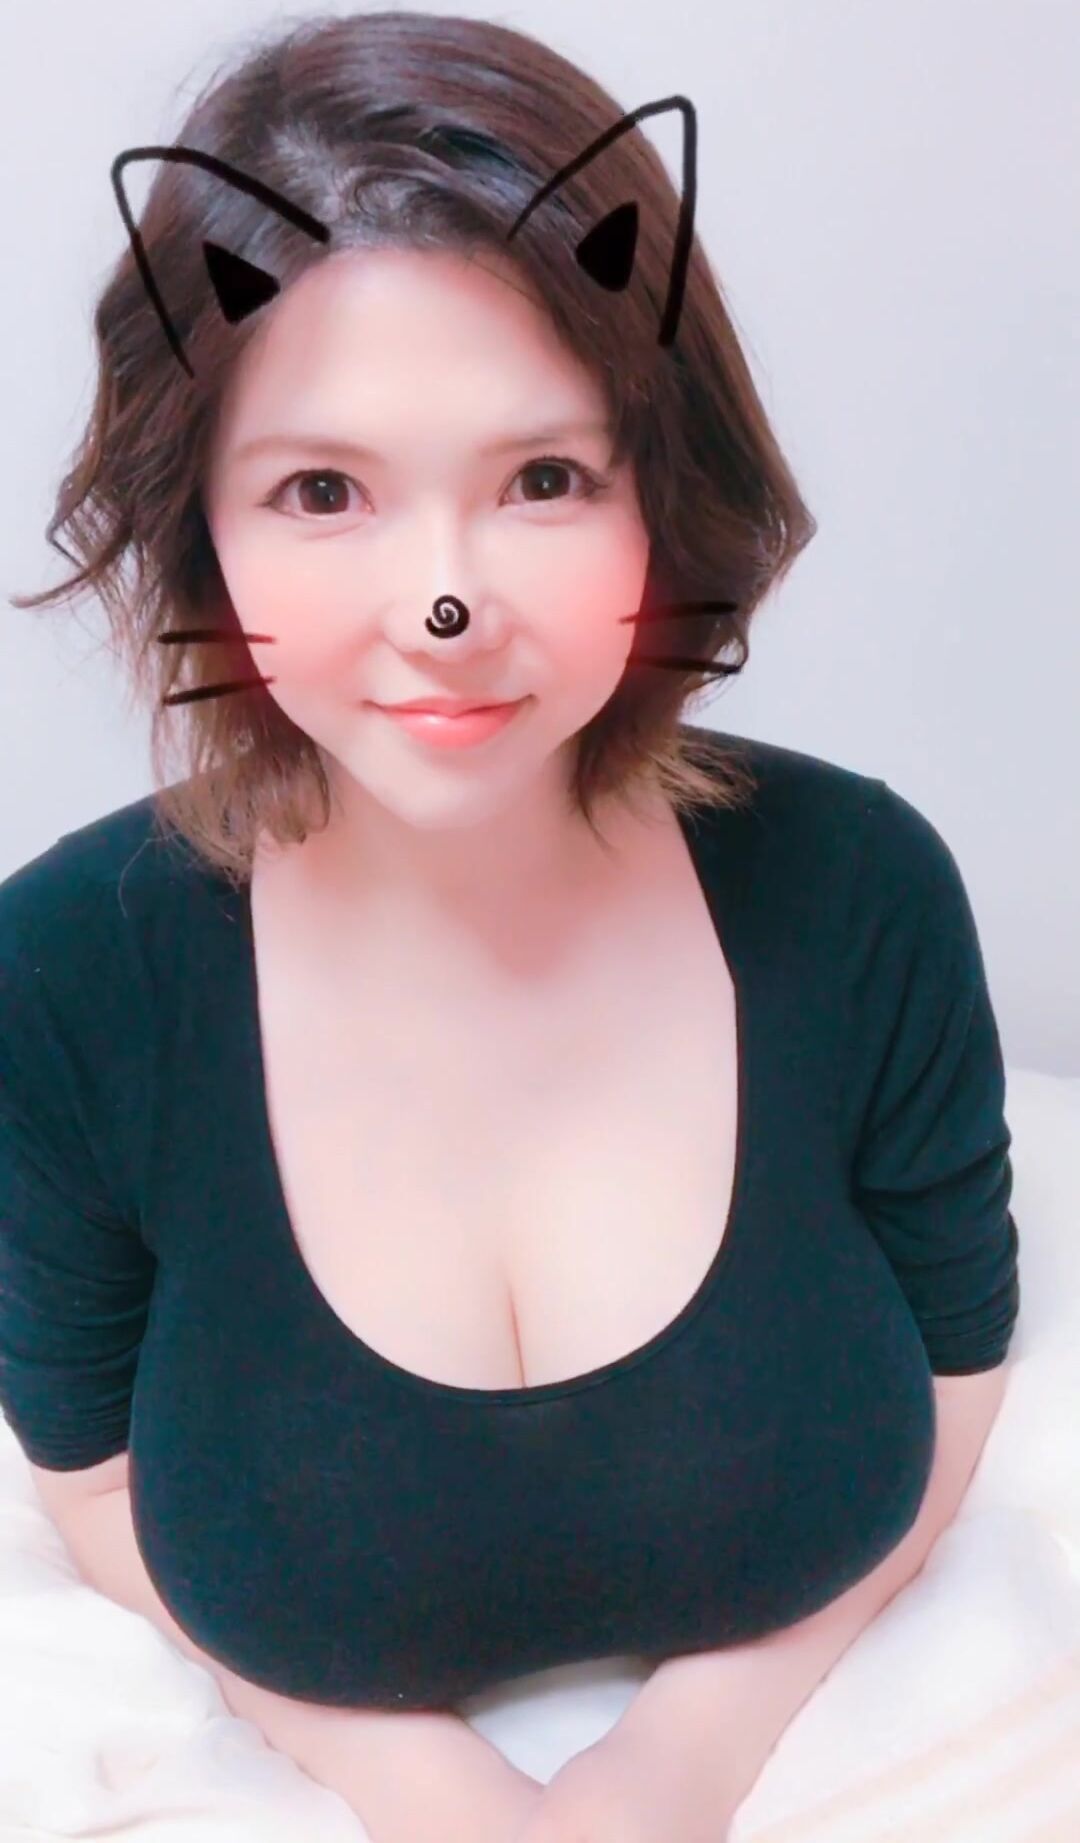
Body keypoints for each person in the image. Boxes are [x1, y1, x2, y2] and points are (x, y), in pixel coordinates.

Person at [1, 11, 1017, 1839]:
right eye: (323, 492)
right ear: (202, 532)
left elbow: (961, 1356)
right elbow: (87, 1481)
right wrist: (432, 1791)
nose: (443, 603)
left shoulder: (864, 891)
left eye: (546, 478)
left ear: (663, 500)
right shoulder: (66, 975)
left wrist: (680, 1761)